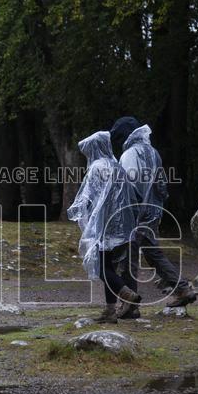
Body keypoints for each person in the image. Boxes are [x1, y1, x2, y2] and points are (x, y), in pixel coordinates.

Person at [109, 116, 196, 318]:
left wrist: (125, 214)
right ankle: (182, 288)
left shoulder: (130, 154)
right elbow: (161, 186)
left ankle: (130, 305)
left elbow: (128, 187)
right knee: (152, 253)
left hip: (135, 213)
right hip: (153, 212)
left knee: (128, 259)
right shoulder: (153, 152)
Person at [68, 131, 141, 323]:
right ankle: (110, 311)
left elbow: (88, 199)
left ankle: (126, 294)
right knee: (108, 265)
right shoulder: (116, 166)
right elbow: (131, 196)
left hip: (102, 226)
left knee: (101, 267)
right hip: (120, 226)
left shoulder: (96, 168)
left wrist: (86, 221)